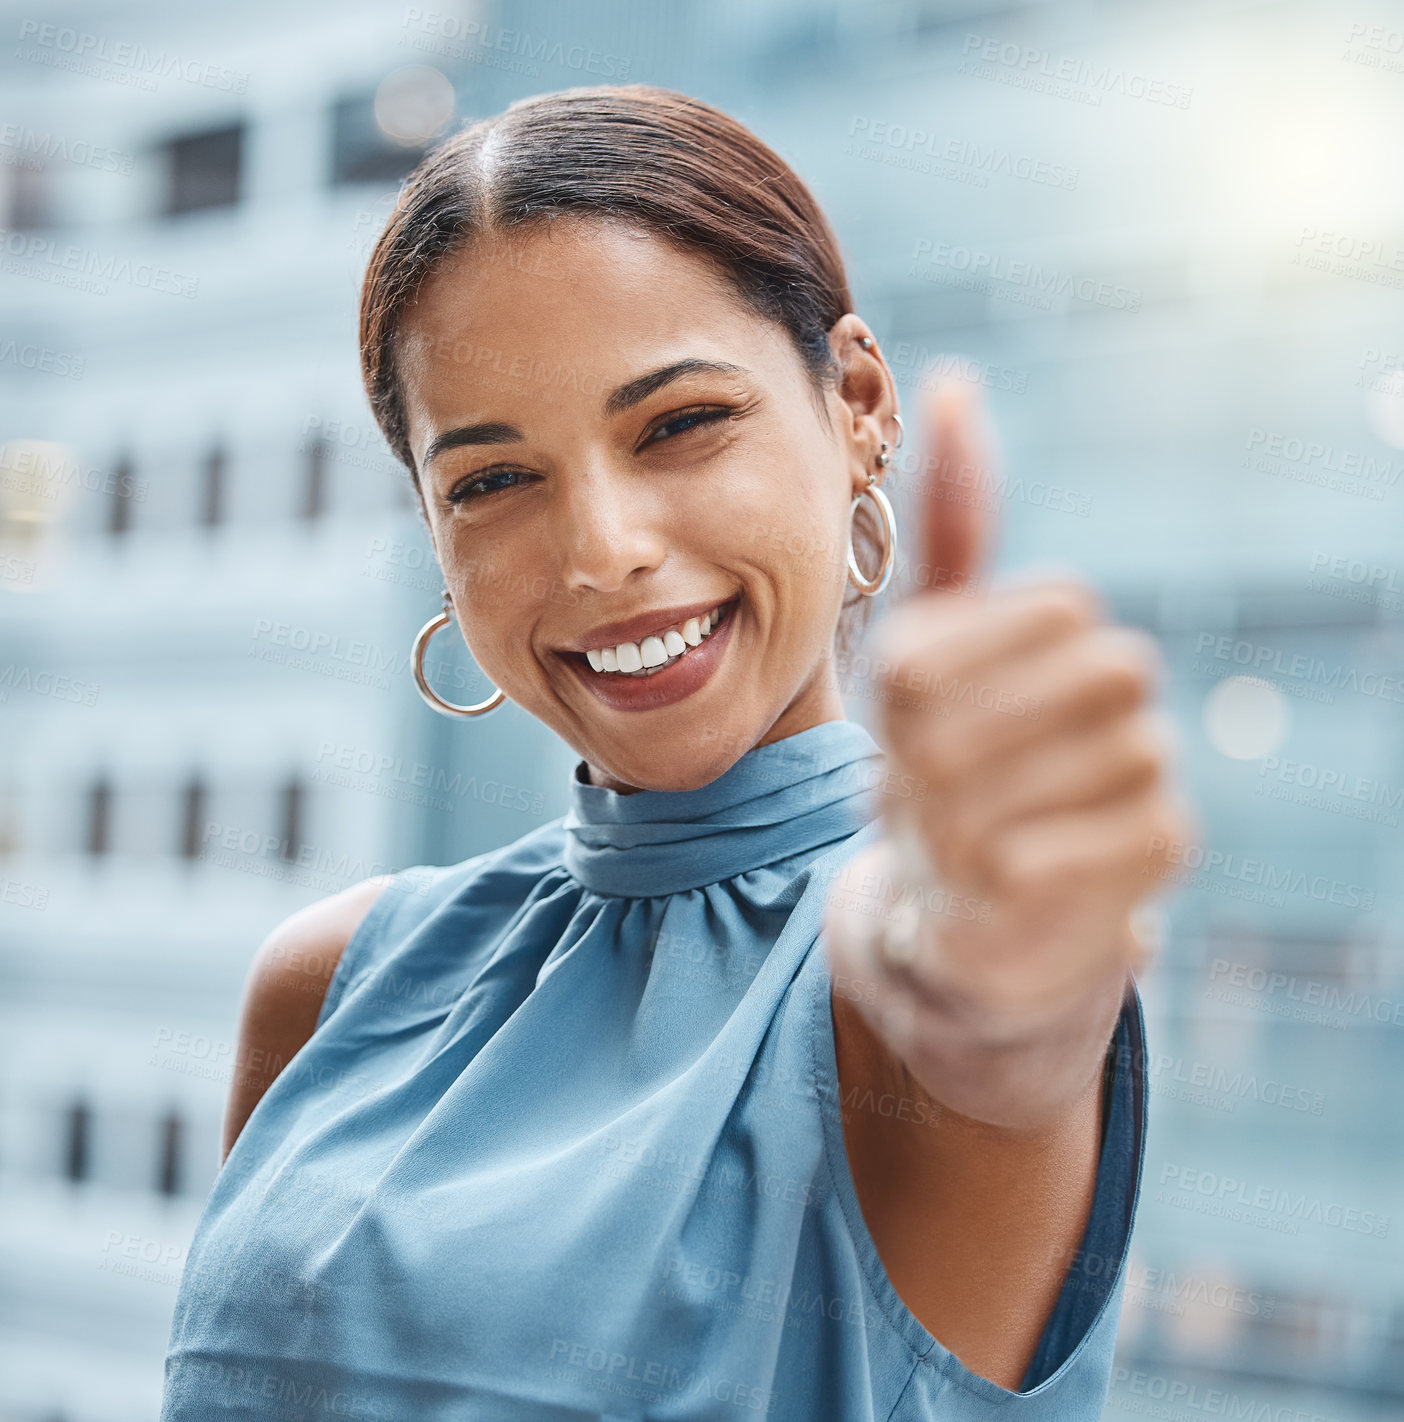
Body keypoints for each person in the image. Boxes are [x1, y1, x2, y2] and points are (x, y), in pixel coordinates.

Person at [160, 84, 1189, 1420]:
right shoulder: (326, 983)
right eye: (489, 480)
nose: (601, 550)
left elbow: (986, 1026)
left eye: (681, 423)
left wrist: (1005, 953)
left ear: (859, 400)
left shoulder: (894, 974)